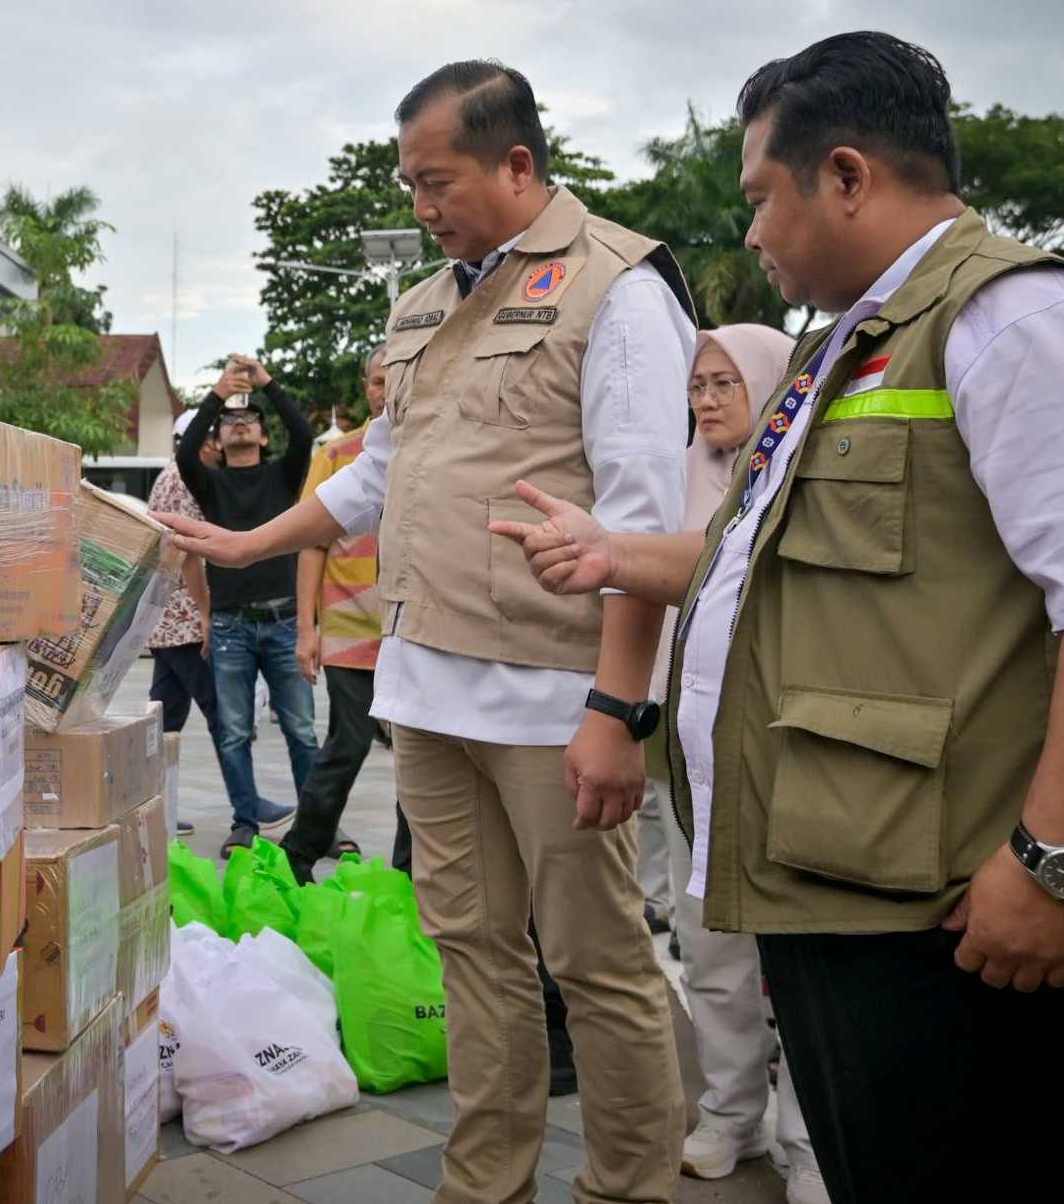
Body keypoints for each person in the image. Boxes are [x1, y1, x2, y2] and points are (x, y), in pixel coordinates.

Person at [493, 31, 1064, 1203]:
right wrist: (615, 552)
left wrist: (1053, 864)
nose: (748, 232)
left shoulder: (1023, 320)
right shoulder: (844, 345)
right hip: (837, 869)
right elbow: (765, 557)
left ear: (844, 176)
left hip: (944, 903)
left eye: (758, 198)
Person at [162, 59, 694, 1204]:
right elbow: (375, 477)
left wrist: (616, 709)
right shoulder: (422, 304)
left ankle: (626, 1185)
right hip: (426, 684)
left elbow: (645, 524)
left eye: (435, 180)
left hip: (552, 695)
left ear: (516, 162)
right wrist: (250, 545)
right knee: (471, 955)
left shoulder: (616, 286)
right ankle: (482, 1182)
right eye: (408, 184)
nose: (419, 207)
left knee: (595, 967)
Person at [648, 325, 824, 1200]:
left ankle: (808, 1139)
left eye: (726, 382)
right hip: (691, 747)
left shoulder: (800, 476)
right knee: (708, 940)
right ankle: (729, 1112)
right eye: (697, 384)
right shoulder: (672, 481)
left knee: (792, 953)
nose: (707, 398)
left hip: (784, 747)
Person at [175, 355, 318, 857]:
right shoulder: (209, 484)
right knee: (234, 732)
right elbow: (186, 453)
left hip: (284, 621)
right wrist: (216, 392)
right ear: (219, 439)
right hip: (233, 626)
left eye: (249, 420)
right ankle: (245, 822)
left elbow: (303, 435)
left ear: (261, 436)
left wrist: (268, 383)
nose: (240, 424)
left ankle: (317, 825)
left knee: (301, 729)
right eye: (229, 421)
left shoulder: (284, 477)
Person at [281, 344, 388, 881]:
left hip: (414, 632)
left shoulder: (437, 451)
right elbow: (312, 545)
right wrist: (307, 630)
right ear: (364, 388)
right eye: (375, 380)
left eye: (396, 377)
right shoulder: (338, 454)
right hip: (349, 629)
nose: (385, 388)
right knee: (349, 743)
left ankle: (415, 872)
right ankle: (299, 852)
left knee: (424, 756)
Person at [147, 409, 220, 838]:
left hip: (168, 619)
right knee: (221, 714)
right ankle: (247, 808)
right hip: (183, 620)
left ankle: (155, 806)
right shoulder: (178, 480)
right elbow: (188, 555)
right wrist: (206, 613)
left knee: (165, 719)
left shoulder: (171, 477)